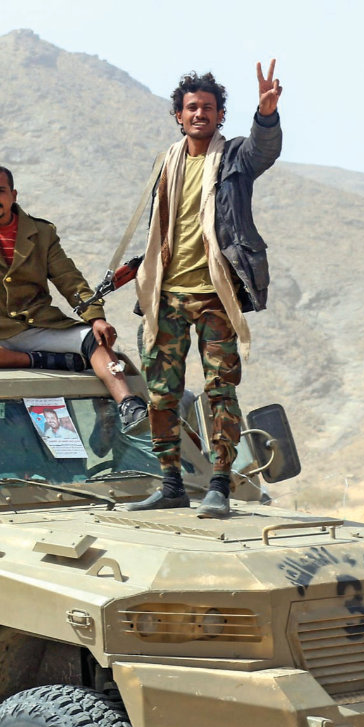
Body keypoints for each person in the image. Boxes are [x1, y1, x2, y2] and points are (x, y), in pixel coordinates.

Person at [124, 61, 283, 518]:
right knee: (161, 393)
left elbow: (262, 151)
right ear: (178, 114)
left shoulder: (233, 157)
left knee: (219, 392)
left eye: (208, 108)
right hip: (166, 296)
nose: (199, 114)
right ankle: (170, 481)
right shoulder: (166, 163)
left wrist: (266, 114)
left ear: (219, 115)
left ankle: (219, 484)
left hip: (215, 294)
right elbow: (165, 229)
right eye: (191, 107)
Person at [0, 162, 149, 434]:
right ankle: (45, 361)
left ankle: (129, 405)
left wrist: (96, 317)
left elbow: (69, 279)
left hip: (41, 326)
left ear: (14, 194)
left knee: (94, 340)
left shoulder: (41, 233)